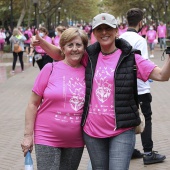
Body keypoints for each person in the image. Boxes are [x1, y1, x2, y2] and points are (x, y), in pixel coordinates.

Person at [31, 13, 170, 169]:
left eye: (108, 28)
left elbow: (162, 75)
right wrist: (42, 43)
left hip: (122, 129)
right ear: (94, 33)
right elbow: (62, 54)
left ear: (117, 31)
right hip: (93, 132)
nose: (104, 32)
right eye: (100, 29)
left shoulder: (131, 57)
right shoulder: (89, 56)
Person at [21, 27, 88, 170]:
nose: (75, 49)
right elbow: (33, 104)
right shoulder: (49, 69)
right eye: (70, 45)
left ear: (84, 48)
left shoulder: (89, 72)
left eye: (78, 45)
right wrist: (28, 136)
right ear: (62, 48)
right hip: (47, 136)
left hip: (76, 140)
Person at [120, 8, 166, 165]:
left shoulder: (120, 37)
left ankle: (129, 150)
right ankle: (148, 153)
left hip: (123, 87)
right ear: (141, 23)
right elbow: (143, 65)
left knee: (128, 120)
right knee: (146, 118)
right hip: (140, 87)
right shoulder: (139, 40)